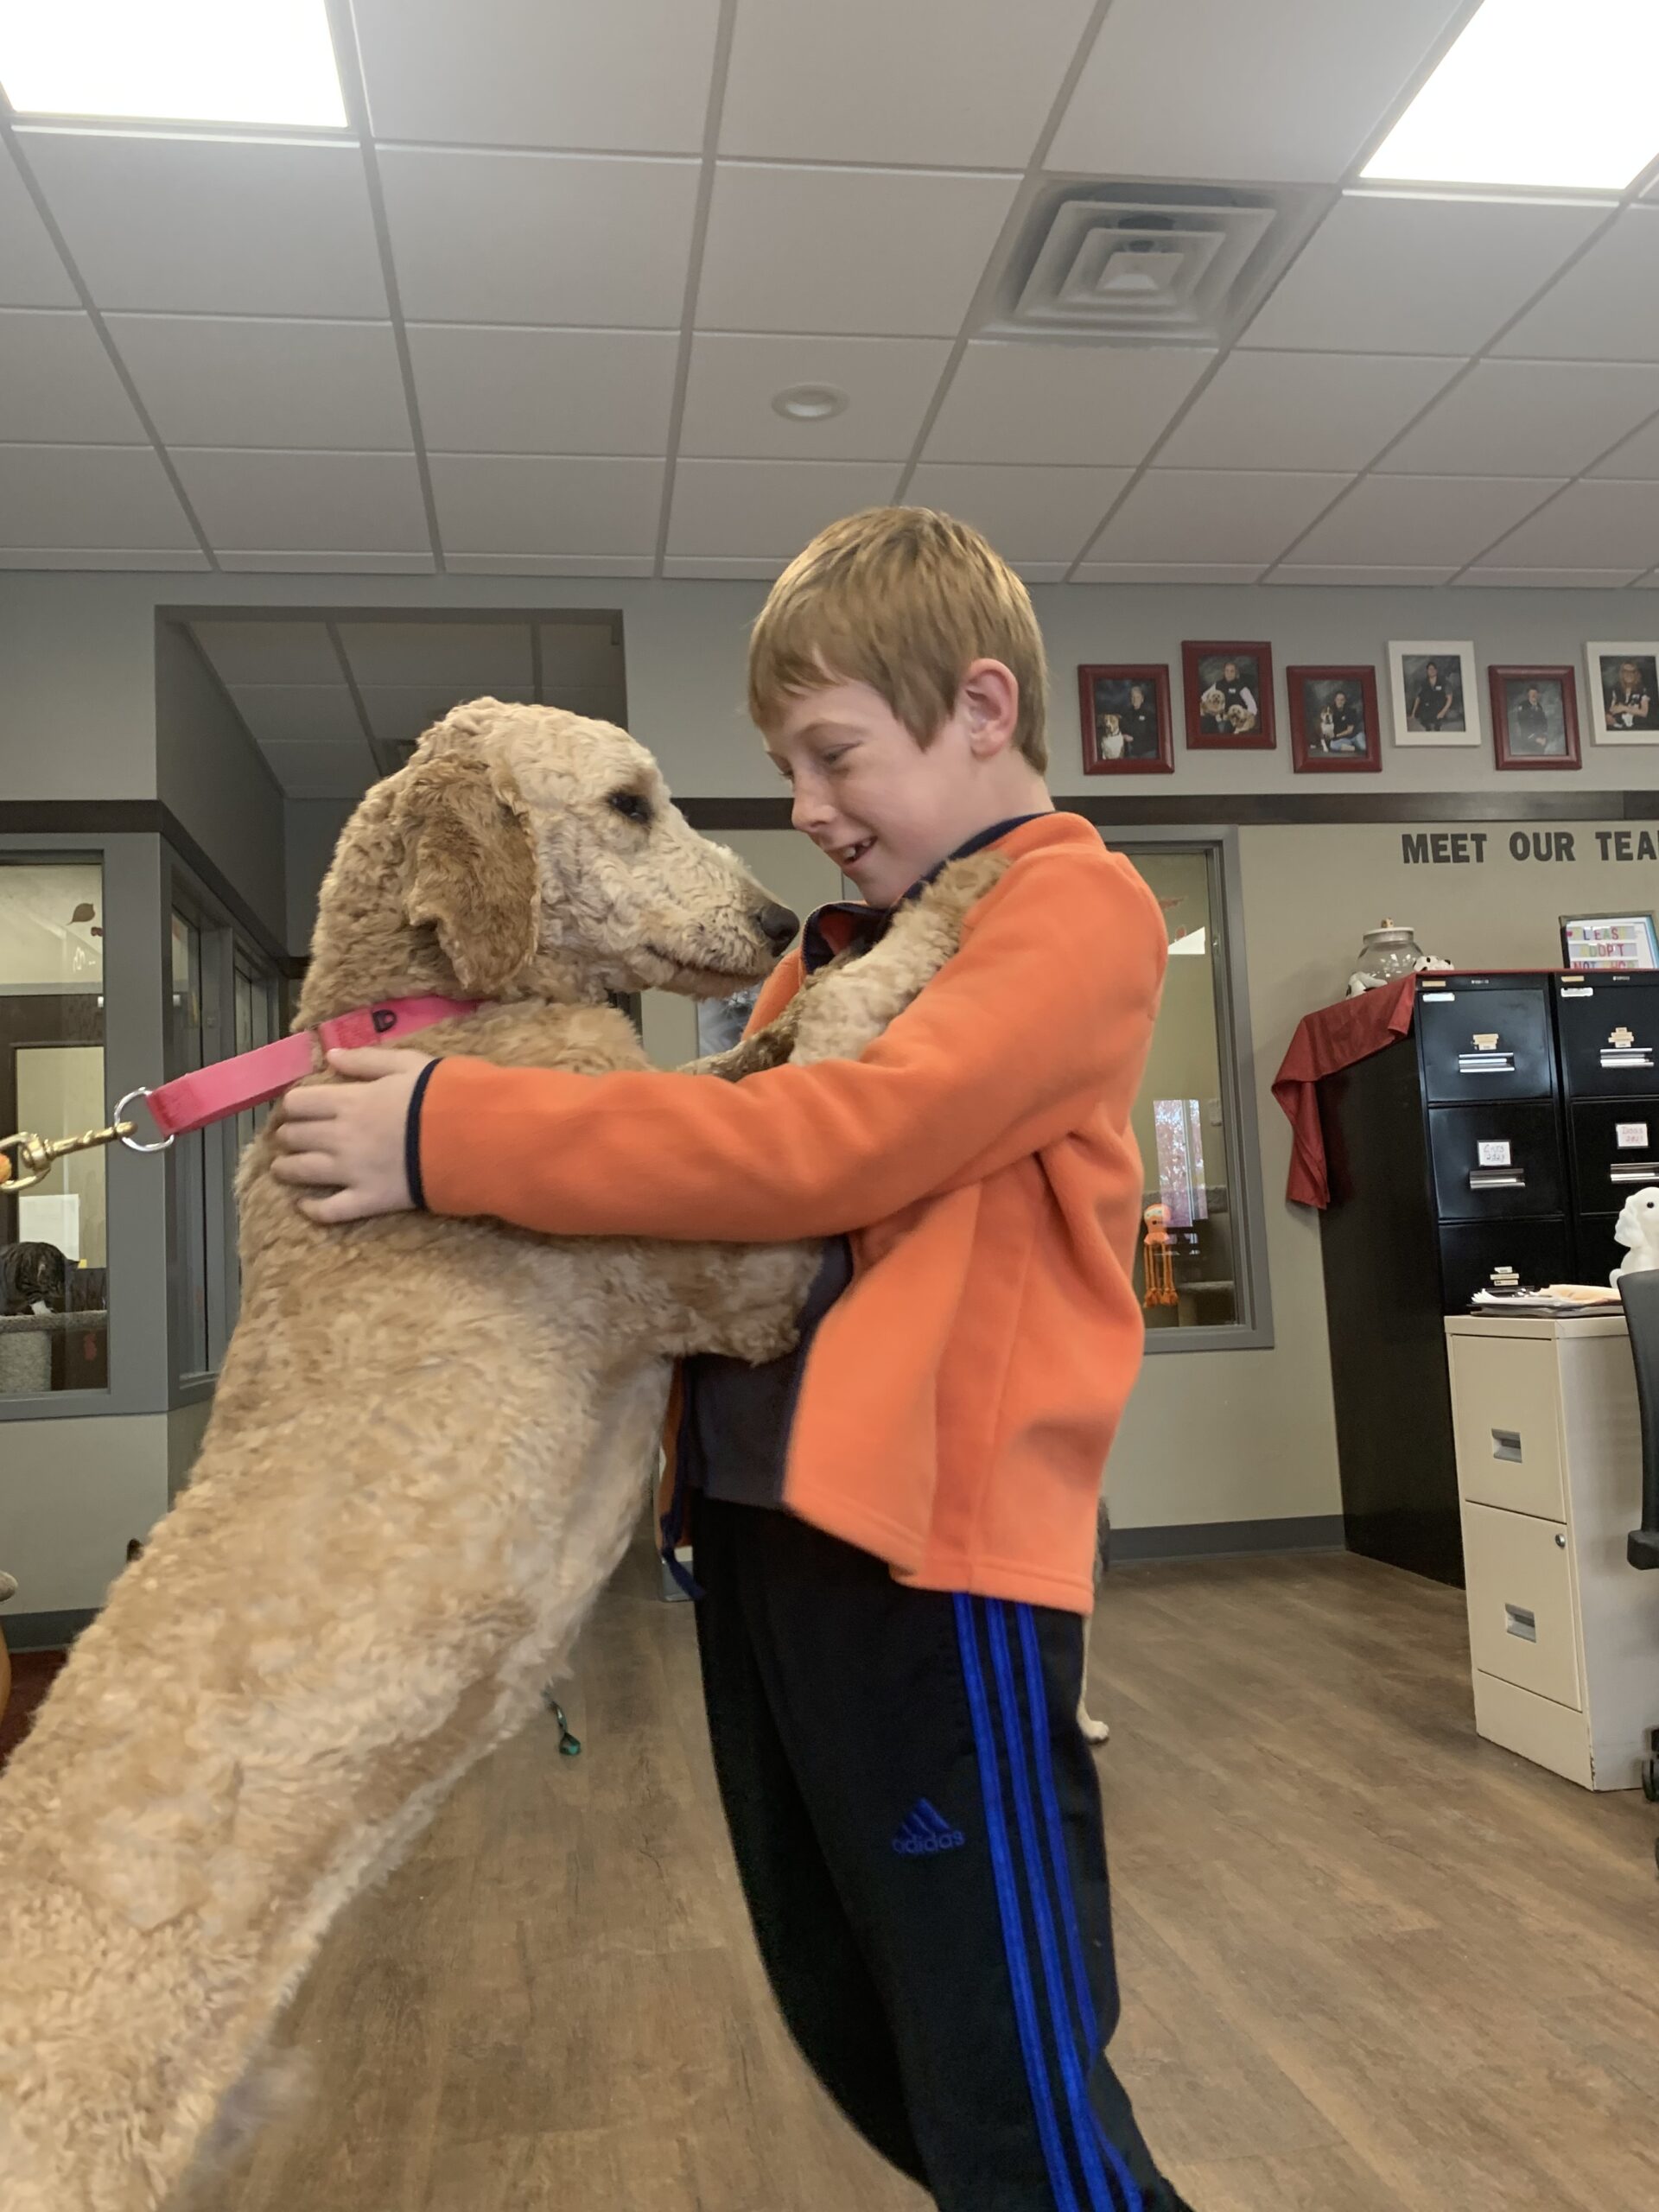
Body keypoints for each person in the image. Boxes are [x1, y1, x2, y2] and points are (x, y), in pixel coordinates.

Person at [270, 506, 1194, 2212]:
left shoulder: (1076, 909)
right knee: (858, 2009)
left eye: (836, 752)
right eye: (789, 762)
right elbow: (721, 1162)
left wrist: (453, 1136)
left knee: (1007, 2068)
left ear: (982, 708)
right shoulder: (836, 949)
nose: (807, 804)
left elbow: (833, 1146)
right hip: (769, 1540)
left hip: (934, 1554)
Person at [1408, 658, 1455, 732]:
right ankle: (1427, 726)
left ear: (1436, 670)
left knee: (1437, 726)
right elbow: (1418, 698)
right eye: (1430, 669)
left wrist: (1443, 712)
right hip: (1426, 710)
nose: (1431, 671)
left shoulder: (1444, 682)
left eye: (1433, 669)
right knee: (1425, 723)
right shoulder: (1423, 683)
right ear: (1427, 671)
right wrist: (1413, 714)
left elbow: (1450, 698)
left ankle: (1437, 726)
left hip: (1439, 710)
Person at [1605, 658, 1653, 732]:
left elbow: (1644, 712)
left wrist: (1624, 708)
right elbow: (1611, 709)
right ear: (1622, 674)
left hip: (1637, 728)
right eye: (1626, 671)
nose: (1629, 674)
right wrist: (1608, 717)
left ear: (1636, 674)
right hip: (1617, 728)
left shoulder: (1642, 690)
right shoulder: (1615, 689)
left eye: (1632, 672)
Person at [1511, 683, 1554, 756]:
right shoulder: (1523, 706)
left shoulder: (1539, 707)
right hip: (1528, 741)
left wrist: (1544, 737)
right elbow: (1523, 724)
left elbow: (1544, 722)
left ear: (1537, 695)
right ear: (1528, 695)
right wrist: (1536, 739)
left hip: (1541, 741)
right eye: (1531, 693)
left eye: (1535, 693)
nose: (1533, 695)